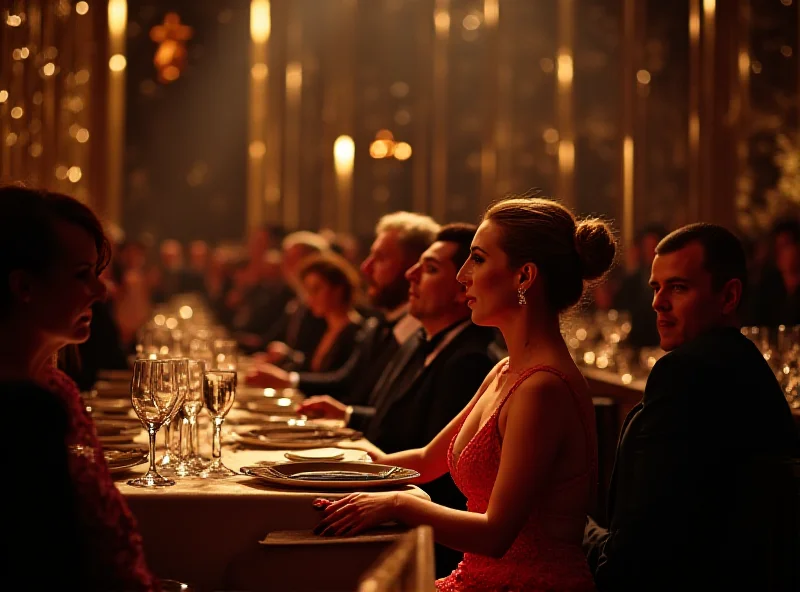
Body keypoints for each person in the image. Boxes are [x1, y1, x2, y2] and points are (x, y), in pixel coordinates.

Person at [314, 196, 616, 591]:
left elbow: (495, 534)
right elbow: (423, 461)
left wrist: (400, 504)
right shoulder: (504, 370)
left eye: (477, 258)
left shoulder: (543, 388)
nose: (462, 276)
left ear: (524, 276)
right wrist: (328, 466)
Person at [583, 223, 800, 592]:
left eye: (678, 287)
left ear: (728, 297)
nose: (658, 302)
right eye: (655, 287)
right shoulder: (745, 363)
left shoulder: (685, 373)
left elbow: (630, 561)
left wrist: (573, 527)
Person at [299, 224, 501, 577]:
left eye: (431, 268)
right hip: (413, 511)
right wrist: (343, 466)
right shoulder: (426, 345)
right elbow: (424, 455)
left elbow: (448, 485)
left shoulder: (473, 361)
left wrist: (391, 499)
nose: (411, 275)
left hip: (436, 543)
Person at [0, 184, 159, 591]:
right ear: (23, 287)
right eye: (81, 275)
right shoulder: (19, 410)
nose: (101, 290)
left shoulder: (59, 389)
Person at [246, 212, 439, 407]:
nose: (366, 267)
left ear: (415, 266)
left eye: (380, 258)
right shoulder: (379, 325)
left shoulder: (419, 334)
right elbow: (346, 381)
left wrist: (346, 415)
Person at [280, 252, 364, 373]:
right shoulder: (321, 326)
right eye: (307, 291)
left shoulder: (356, 333)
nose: (310, 299)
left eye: (316, 289)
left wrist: (289, 379)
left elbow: (338, 381)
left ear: (338, 289)